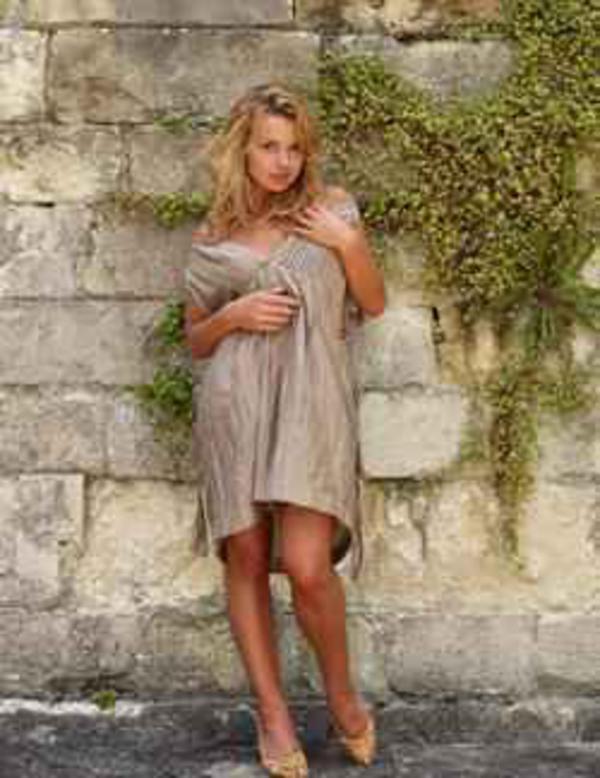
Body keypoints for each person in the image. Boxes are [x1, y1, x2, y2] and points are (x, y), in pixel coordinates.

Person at [183, 82, 385, 777]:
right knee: (244, 556)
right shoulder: (214, 239)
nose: (282, 161)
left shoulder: (332, 211)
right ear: (242, 149)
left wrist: (347, 242)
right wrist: (232, 316)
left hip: (313, 402)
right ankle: (272, 717)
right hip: (236, 404)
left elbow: (372, 302)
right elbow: (195, 339)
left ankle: (343, 698)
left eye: (294, 149)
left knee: (306, 565)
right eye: (269, 147)